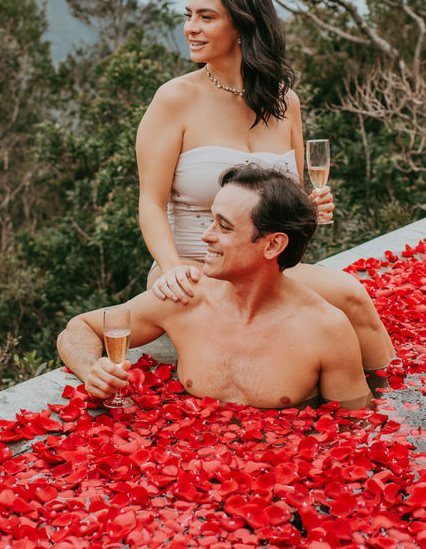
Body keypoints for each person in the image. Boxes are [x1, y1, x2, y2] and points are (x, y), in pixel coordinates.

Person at [135, 0, 395, 379]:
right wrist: (169, 268)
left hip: (267, 271)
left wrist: (309, 206)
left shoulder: (283, 101)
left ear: (241, 24)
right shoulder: (174, 99)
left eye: (206, 17)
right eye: (188, 16)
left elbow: (284, 205)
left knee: (352, 295)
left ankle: (388, 399)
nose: (191, 28)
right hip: (194, 265)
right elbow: (150, 202)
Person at [58, 165, 371, 409]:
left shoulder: (326, 330)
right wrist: (92, 371)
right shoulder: (185, 299)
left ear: (273, 244)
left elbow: (355, 432)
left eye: (224, 226)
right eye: (211, 221)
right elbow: (78, 328)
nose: (206, 236)